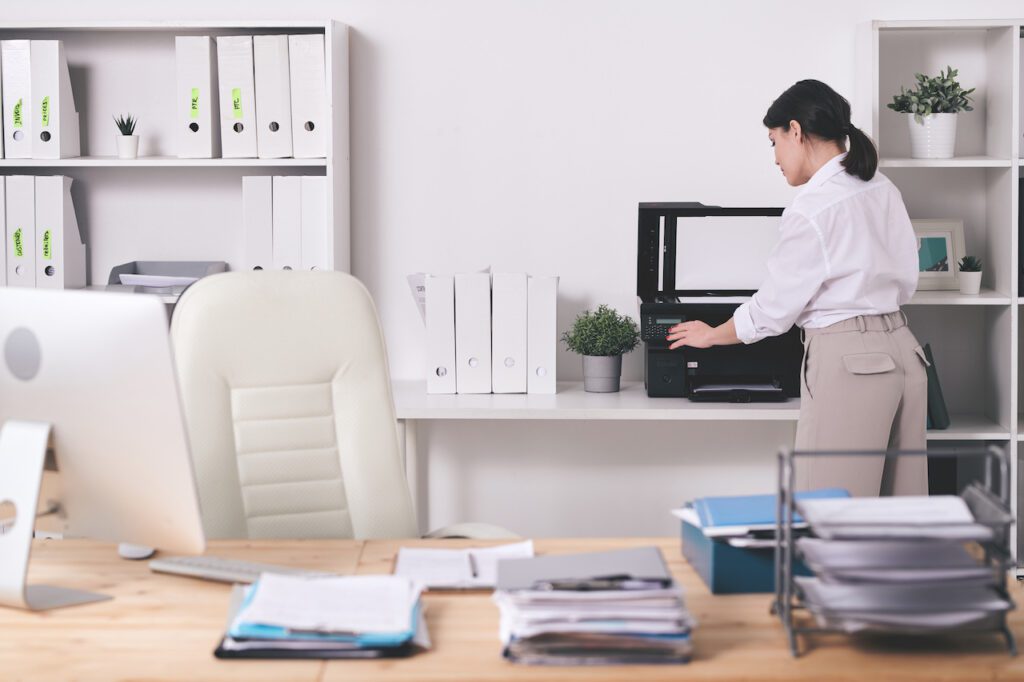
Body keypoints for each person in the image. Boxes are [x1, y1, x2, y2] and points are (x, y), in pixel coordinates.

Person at [665, 79, 928, 497]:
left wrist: (713, 334)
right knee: (899, 515)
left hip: (852, 362)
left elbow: (773, 309)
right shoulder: (881, 186)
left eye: (773, 142)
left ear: (796, 130)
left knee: (828, 510)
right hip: (906, 351)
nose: (774, 158)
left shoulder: (812, 208)